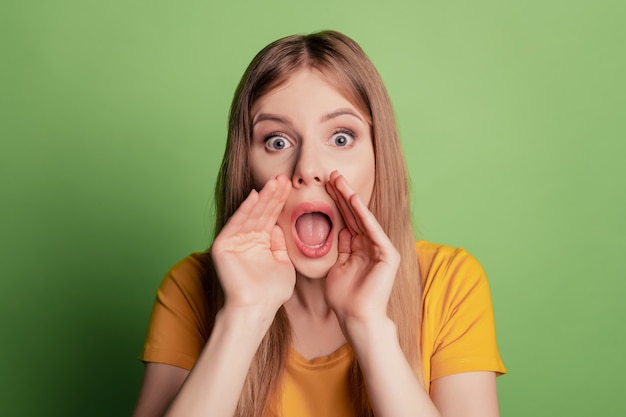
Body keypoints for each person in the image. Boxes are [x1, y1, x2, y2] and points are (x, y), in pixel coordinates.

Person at [132, 30, 506, 417]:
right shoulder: (190, 288)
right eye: (277, 141)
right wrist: (244, 315)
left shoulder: (448, 284)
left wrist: (367, 324)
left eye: (341, 138)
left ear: (381, 158)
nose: (308, 168)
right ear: (246, 168)